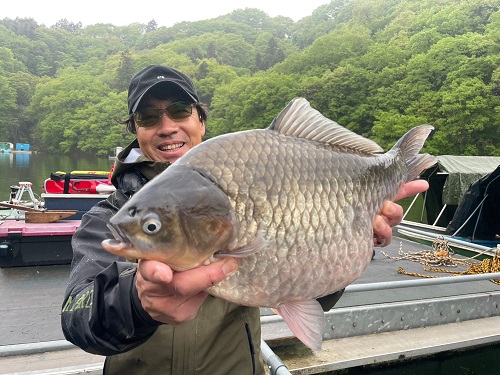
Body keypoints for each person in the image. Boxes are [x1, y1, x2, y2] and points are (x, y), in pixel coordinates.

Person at [61, 65, 429, 374]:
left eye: (179, 111)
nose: (167, 126)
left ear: (200, 121)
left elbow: (313, 287)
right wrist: (138, 302)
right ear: (136, 130)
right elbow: (76, 318)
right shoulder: (108, 218)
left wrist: (359, 240)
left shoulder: (250, 177)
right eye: (149, 117)